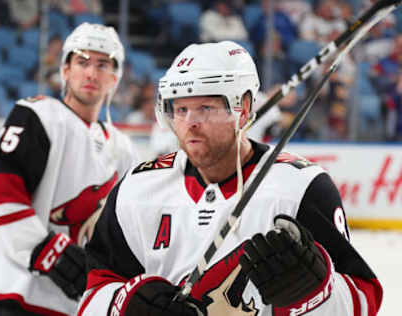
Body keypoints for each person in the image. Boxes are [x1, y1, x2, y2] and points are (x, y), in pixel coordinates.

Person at [77, 41, 383, 316]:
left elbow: (362, 301)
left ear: (244, 109)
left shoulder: (302, 188)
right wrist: (126, 304)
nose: (190, 124)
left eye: (205, 108)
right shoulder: (136, 189)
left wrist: (315, 294)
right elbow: (91, 296)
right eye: (181, 109)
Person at [0, 23, 138, 316]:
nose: (91, 73)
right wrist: (48, 252)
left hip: (78, 307)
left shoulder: (123, 149)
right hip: (17, 294)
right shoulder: (38, 115)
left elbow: (124, 236)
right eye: (82, 61)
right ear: (65, 69)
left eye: (103, 64)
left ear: (115, 78)